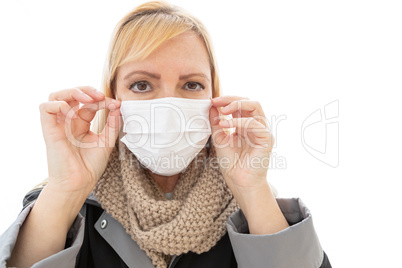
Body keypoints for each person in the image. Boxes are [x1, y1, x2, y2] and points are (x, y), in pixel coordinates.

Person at [0, 1, 331, 267]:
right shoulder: (62, 205)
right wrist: (66, 190)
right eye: (142, 85)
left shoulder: (255, 210)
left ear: (214, 97)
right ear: (113, 97)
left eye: (191, 85)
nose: (168, 105)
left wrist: (253, 192)